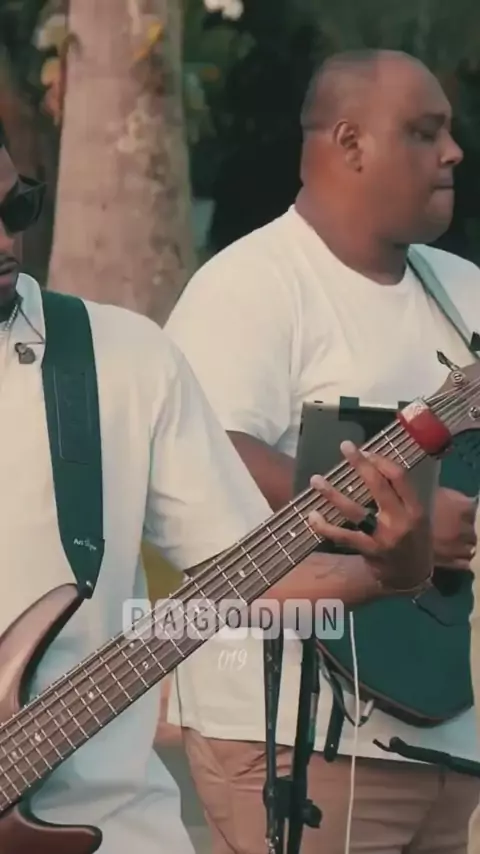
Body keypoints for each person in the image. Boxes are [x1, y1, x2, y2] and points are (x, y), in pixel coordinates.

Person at [0, 132, 433, 853]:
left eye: (16, 208)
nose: (5, 241)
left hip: (118, 832)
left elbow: (246, 584)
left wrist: (394, 570)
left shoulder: (117, 357)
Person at [165, 49, 480, 854]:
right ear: (349, 143)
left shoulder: (464, 291)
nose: (453, 153)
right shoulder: (251, 285)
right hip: (299, 737)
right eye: (424, 132)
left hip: (450, 729)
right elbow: (208, 455)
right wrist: (400, 514)